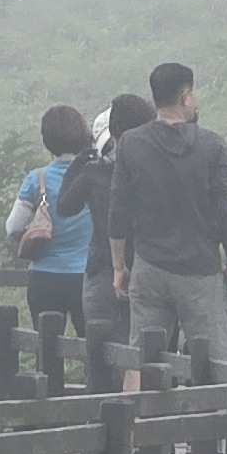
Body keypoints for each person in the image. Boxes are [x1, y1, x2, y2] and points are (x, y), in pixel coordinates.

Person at [108, 61, 227, 371]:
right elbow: (225, 209)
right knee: (217, 361)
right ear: (185, 96)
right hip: (200, 269)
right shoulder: (212, 145)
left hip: (149, 266)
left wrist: (118, 266)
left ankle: (135, 403)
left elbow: (118, 210)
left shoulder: (131, 143)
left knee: (141, 358)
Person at [5, 104, 113, 335]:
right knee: (94, 345)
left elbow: (13, 227)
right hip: (88, 277)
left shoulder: (37, 179)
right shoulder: (97, 174)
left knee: (48, 347)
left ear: (47, 142)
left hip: (45, 277)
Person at [87, 92, 154, 339]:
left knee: (102, 343)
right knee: (149, 343)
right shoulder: (155, 166)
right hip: (152, 264)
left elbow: (67, 205)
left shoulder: (97, 172)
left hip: (107, 267)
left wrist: (118, 266)